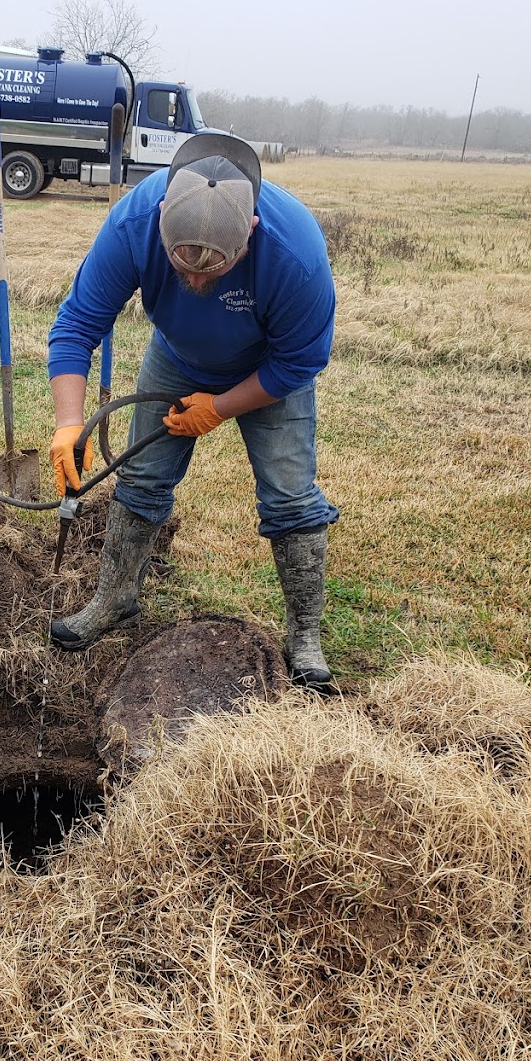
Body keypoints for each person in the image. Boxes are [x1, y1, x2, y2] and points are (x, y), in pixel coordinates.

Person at [47, 133, 339, 688]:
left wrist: (223, 407)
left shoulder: (296, 253)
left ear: (250, 232)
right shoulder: (133, 223)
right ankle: (114, 599)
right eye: (186, 268)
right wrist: (68, 423)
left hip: (268, 369)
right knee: (143, 477)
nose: (198, 281)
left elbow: (300, 364)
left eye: (215, 271)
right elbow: (77, 324)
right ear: (161, 221)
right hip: (176, 356)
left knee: (290, 495)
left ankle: (305, 637)